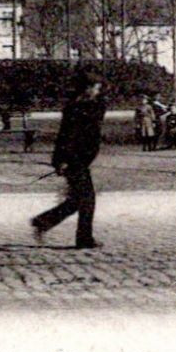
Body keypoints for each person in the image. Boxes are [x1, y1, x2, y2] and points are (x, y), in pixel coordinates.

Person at [31, 69, 107, 249]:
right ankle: (83, 239)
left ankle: (43, 221)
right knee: (87, 199)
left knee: (78, 200)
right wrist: (61, 160)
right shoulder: (76, 108)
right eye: (96, 88)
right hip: (74, 159)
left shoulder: (87, 105)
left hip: (80, 158)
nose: (98, 91)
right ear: (87, 88)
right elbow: (66, 136)